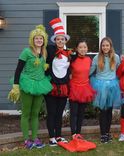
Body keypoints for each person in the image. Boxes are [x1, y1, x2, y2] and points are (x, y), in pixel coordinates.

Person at [8, 25, 52, 149]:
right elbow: (18, 70)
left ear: (44, 40)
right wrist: (16, 85)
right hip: (27, 83)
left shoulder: (44, 52)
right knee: (26, 113)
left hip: (40, 84)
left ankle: (35, 138)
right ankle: (27, 140)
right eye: (36, 38)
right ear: (32, 40)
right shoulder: (26, 52)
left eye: (41, 38)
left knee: (35, 113)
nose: (39, 40)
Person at [44, 18, 71, 146]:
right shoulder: (50, 50)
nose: (60, 41)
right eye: (58, 39)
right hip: (51, 86)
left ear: (65, 41)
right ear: (55, 41)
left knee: (60, 113)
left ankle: (59, 136)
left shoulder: (68, 53)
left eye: (62, 39)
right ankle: (51, 137)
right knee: (52, 113)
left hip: (64, 87)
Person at [90, 37, 121, 143]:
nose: (105, 47)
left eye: (107, 45)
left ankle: (107, 133)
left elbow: (120, 69)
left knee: (109, 111)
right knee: (103, 111)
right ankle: (103, 134)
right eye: (103, 45)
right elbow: (91, 71)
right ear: (101, 47)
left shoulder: (116, 57)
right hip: (100, 85)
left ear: (110, 46)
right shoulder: (96, 58)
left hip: (112, 85)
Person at [69, 39, 96, 139]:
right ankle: (73, 134)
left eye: (84, 47)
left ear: (87, 48)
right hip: (74, 88)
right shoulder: (72, 59)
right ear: (76, 49)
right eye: (80, 47)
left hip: (85, 88)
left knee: (81, 113)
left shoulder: (89, 60)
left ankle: (78, 133)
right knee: (74, 113)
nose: (83, 49)